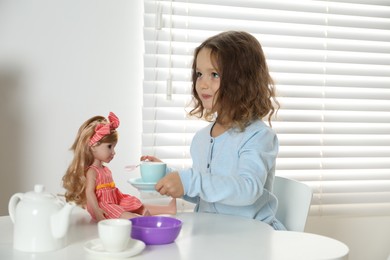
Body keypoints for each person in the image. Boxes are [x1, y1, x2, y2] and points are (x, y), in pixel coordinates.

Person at [141, 31, 285, 230]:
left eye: (214, 74)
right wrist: (168, 177)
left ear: (242, 81)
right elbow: (205, 191)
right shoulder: (201, 139)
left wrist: (189, 181)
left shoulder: (258, 136)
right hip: (214, 234)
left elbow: (248, 189)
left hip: (252, 237)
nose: (203, 83)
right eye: (199, 74)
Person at [62, 112, 176, 221]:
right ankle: (141, 221)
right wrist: (97, 210)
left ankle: (167, 209)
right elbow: (89, 192)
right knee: (123, 213)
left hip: (115, 200)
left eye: (114, 147)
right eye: (109, 147)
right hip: (103, 206)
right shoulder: (92, 171)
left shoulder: (105, 170)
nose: (113, 152)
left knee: (135, 203)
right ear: (93, 146)